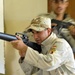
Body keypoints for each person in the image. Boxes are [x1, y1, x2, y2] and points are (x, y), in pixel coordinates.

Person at [11, 16, 75, 75]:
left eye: (38, 32)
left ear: (49, 31)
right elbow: (33, 72)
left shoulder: (61, 44)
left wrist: (25, 49)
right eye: (33, 32)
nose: (35, 36)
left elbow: (50, 64)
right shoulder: (42, 47)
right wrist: (23, 56)